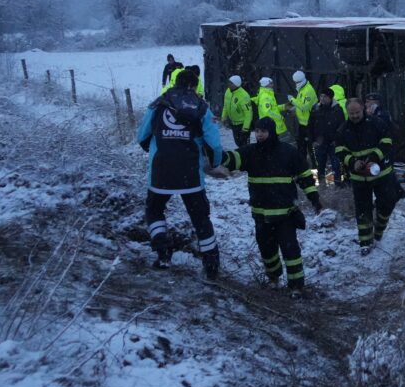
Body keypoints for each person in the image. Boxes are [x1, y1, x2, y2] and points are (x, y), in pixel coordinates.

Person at [219, 117, 322, 296]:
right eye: (257, 131)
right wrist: (211, 148)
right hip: (261, 214)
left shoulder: (288, 152)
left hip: (286, 215)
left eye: (263, 131)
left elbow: (305, 176)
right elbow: (230, 159)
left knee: (290, 250)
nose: (259, 135)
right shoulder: (250, 152)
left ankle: (296, 286)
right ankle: (274, 278)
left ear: (271, 132)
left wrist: (315, 200)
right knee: (267, 250)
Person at [136, 70, 223, 279]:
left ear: (175, 83)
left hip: (160, 172)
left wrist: (158, 149)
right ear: (194, 86)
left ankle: (163, 252)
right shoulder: (202, 107)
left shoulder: (158, 103)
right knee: (201, 218)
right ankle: (211, 265)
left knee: (154, 210)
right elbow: (215, 144)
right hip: (190, 174)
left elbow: (142, 136)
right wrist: (215, 162)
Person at [336, 99, 403, 255]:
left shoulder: (376, 123)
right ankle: (365, 241)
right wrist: (352, 162)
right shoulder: (342, 130)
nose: (354, 116)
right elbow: (340, 150)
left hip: (381, 172)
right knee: (362, 209)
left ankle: (379, 228)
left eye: (357, 112)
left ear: (363, 109)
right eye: (351, 113)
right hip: (359, 178)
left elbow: (387, 141)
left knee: (388, 201)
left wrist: (374, 157)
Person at [311, 87, 346, 187]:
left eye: (325, 96)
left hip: (333, 143)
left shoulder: (337, 109)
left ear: (331, 98)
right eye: (321, 96)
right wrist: (313, 140)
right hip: (320, 142)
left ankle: (338, 184)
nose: (322, 98)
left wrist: (337, 140)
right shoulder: (316, 108)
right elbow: (310, 125)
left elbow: (341, 126)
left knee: (336, 165)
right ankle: (322, 185)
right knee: (320, 165)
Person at [289, 70, 317, 164]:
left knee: (311, 148)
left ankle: (315, 167)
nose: (296, 84)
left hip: (309, 124)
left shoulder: (308, 90)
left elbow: (305, 107)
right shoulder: (302, 89)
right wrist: (294, 108)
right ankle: (303, 165)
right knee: (301, 147)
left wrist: (292, 100)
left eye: (297, 82)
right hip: (303, 124)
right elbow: (301, 103)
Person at [221, 75, 253, 148]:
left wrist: (245, 128)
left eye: (231, 83)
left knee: (245, 145)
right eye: (229, 82)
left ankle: (247, 158)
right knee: (238, 143)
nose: (229, 84)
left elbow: (249, 113)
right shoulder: (227, 91)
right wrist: (223, 117)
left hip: (242, 125)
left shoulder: (244, 96)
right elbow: (225, 105)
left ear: (236, 84)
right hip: (234, 123)